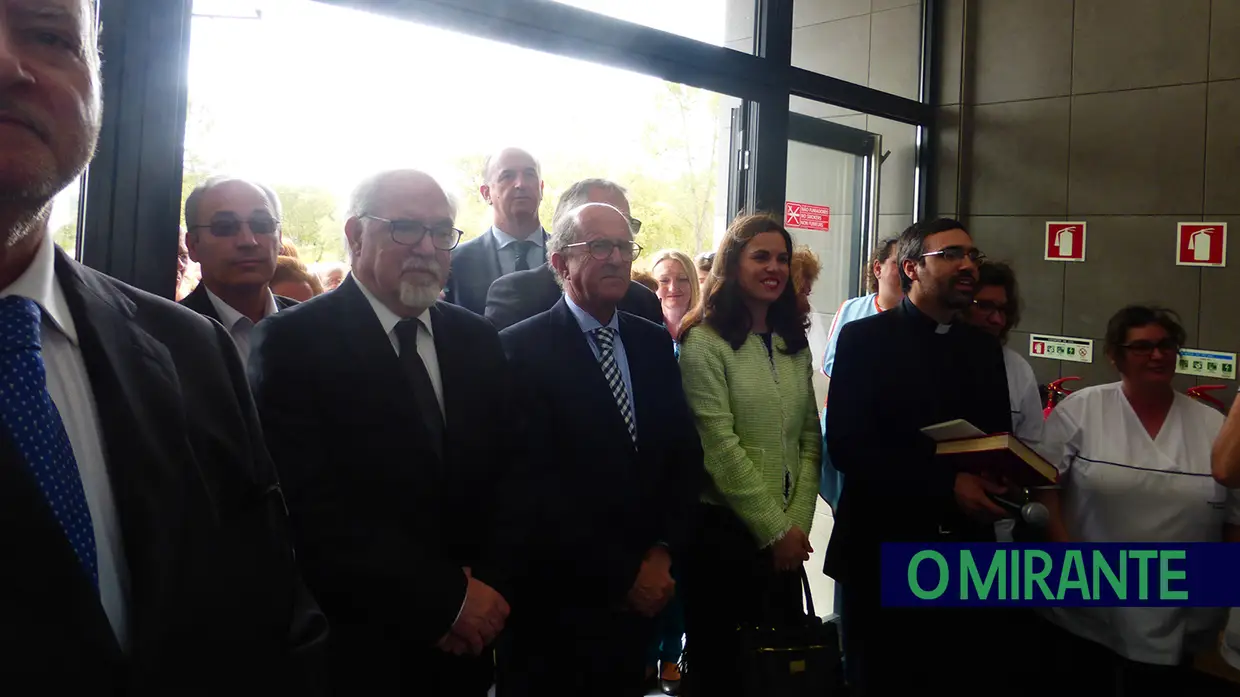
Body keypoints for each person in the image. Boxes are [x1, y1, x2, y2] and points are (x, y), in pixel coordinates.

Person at [0, 0, 326, 688]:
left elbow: (274, 616)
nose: (8, 61)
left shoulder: (187, 349)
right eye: (226, 225)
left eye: (51, 36)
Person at [249, 169, 517, 696]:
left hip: (474, 644)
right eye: (405, 229)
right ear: (354, 236)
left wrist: (486, 595)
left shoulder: (478, 340)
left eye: (442, 233)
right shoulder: (292, 343)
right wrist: (446, 605)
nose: (427, 247)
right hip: (360, 650)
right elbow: (311, 509)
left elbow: (509, 476)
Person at [496, 202, 703, 697]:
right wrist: (621, 574)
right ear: (559, 263)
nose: (616, 259)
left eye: (625, 247)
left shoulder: (653, 343)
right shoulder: (517, 350)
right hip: (562, 604)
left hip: (645, 599)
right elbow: (532, 484)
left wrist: (661, 553)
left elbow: (681, 453)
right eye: (598, 247)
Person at [823, 218, 1021, 696]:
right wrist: (945, 482)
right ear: (911, 267)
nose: (968, 265)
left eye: (972, 255)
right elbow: (849, 444)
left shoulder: (981, 349)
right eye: (951, 255)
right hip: (884, 547)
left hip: (962, 552)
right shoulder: (865, 339)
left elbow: (994, 439)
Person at [1036, 306, 1240, 693]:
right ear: (1115, 355)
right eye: (1142, 347)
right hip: (1091, 597)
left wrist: (1224, 589)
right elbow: (1046, 488)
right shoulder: (1082, 410)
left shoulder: (1211, 424)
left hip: (1183, 604)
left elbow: (1234, 520)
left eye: (1166, 345)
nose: (1158, 355)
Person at [677, 213, 821, 696]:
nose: (774, 267)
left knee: (776, 677)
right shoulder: (704, 341)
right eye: (761, 256)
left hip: (783, 541)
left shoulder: (793, 342)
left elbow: (809, 441)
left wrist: (795, 525)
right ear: (732, 264)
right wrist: (775, 530)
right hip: (724, 539)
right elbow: (719, 448)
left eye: (781, 258)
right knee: (725, 673)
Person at [483, 178, 662, 330]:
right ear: (565, 231)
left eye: (625, 221)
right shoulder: (517, 295)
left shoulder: (643, 302)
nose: (615, 258)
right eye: (600, 242)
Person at [180, 176, 298, 367]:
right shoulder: (164, 335)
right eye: (225, 227)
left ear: (280, 240)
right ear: (193, 245)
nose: (248, 241)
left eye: (262, 225)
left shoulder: (314, 327)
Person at [445, 147, 546, 315]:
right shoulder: (454, 262)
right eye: (507, 176)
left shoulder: (568, 256)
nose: (521, 184)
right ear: (486, 193)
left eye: (529, 174)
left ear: (541, 188)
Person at [962, 261, 1043, 447]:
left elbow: (1031, 444)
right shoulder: (933, 359)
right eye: (984, 306)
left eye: (1003, 310)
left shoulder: (1018, 370)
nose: (997, 319)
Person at [648, 248, 700, 342]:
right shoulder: (643, 328)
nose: (673, 288)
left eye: (682, 279)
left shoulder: (710, 330)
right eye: (664, 281)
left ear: (693, 283)